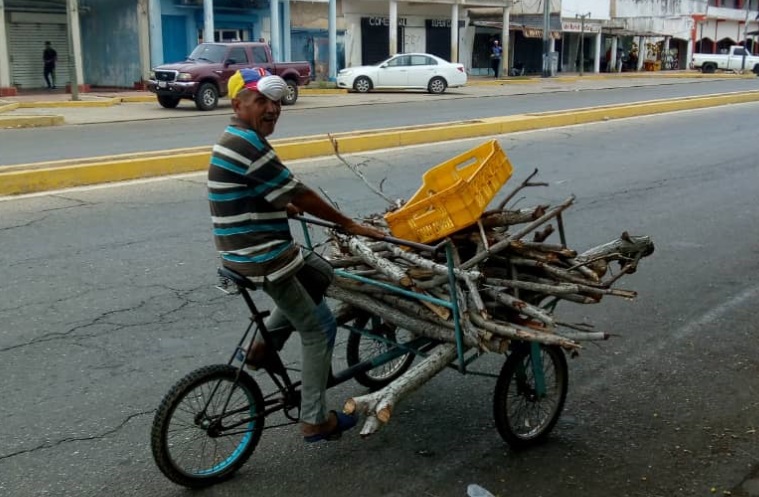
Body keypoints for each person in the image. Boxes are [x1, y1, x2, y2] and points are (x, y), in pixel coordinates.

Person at [207, 67, 385, 443]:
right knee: (320, 327)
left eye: (275, 101)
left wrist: (281, 207)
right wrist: (349, 225)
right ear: (238, 104)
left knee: (320, 274)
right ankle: (315, 420)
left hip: (245, 248)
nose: (272, 108)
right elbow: (300, 193)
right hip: (262, 255)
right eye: (261, 101)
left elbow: (254, 190)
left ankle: (261, 349)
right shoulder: (249, 144)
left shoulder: (237, 137)